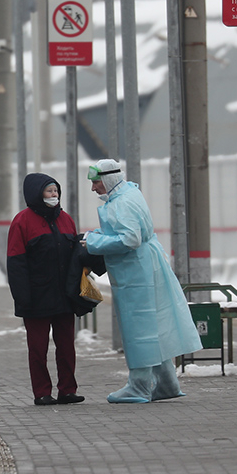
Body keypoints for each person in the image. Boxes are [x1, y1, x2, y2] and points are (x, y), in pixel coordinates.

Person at [82, 159, 203, 403]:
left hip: (135, 273)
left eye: (95, 182)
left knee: (138, 329)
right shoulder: (129, 194)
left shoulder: (122, 203)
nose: (93, 188)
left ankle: (138, 386)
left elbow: (129, 239)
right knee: (153, 326)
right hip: (145, 266)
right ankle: (167, 383)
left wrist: (93, 242)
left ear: (107, 179)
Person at [7, 173, 85, 406]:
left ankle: (67, 390)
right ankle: (42, 391)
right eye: (49, 191)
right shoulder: (22, 221)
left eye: (56, 191)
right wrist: (23, 297)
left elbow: (74, 258)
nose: (54, 195)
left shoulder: (66, 219)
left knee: (66, 346)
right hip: (36, 297)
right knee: (38, 348)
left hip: (64, 296)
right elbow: (16, 262)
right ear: (36, 194)